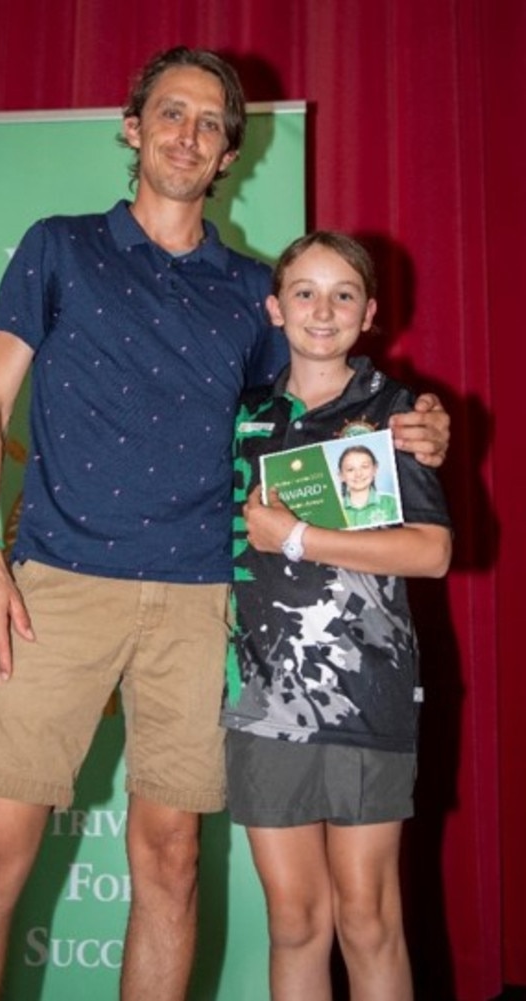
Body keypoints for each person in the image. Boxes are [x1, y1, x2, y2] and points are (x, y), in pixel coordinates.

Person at [0, 48, 451, 1001]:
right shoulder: (57, 246)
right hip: (56, 589)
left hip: (203, 604)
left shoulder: (252, 293)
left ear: (227, 156)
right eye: (171, 114)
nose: (188, 134)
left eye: (210, 125)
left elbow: (326, 399)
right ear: (134, 129)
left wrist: (423, 424)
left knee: (170, 864)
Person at [222, 230, 452, 1001]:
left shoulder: (398, 417)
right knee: (294, 922)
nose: (323, 309)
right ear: (274, 308)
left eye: (343, 293)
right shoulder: (242, 412)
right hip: (259, 703)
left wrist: (298, 536)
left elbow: (431, 551)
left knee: (368, 920)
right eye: (305, 293)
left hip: (368, 696)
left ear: (371, 312)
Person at [337, 443, 400, 527]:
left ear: (375, 469)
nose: (358, 474)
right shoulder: (335, 510)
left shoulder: (392, 503)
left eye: (364, 467)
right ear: (341, 475)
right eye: (350, 469)